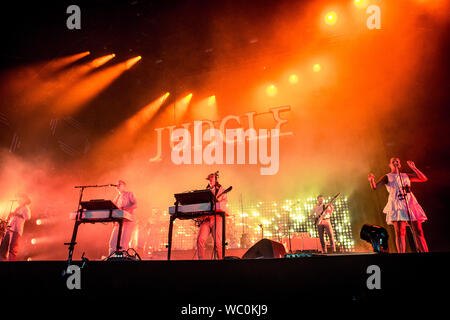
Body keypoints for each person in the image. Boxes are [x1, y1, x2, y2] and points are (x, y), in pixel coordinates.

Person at [368, 158, 429, 253]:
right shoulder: (387, 177)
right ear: (390, 164)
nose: (396, 161)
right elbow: (375, 187)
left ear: (399, 164)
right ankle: (401, 254)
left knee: (418, 231)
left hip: (409, 203)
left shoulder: (405, 175)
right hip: (397, 204)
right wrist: (371, 180)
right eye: (393, 161)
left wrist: (414, 168)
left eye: (397, 161)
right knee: (400, 231)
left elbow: (423, 178)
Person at [196, 172, 228, 260]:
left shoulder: (222, 190)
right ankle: (200, 260)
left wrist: (217, 204)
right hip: (207, 218)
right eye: (209, 178)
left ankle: (220, 260)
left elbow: (224, 203)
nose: (210, 179)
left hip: (217, 217)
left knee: (218, 242)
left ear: (216, 179)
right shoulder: (206, 191)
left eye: (212, 177)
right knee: (200, 240)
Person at [109, 180, 137, 255]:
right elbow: (113, 208)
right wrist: (113, 220)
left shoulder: (129, 194)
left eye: (119, 185)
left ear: (124, 186)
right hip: (119, 222)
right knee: (112, 242)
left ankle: (122, 260)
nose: (117, 186)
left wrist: (124, 209)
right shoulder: (117, 197)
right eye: (116, 185)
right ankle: (111, 259)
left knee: (123, 243)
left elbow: (135, 205)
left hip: (128, 221)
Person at [0, 194, 31, 261]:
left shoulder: (26, 208)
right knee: (3, 247)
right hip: (10, 229)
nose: (18, 200)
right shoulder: (18, 207)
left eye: (20, 198)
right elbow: (13, 219)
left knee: (12, 249)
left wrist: (16, 214)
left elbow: (27, 217)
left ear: (24, 199)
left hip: (16, 230)